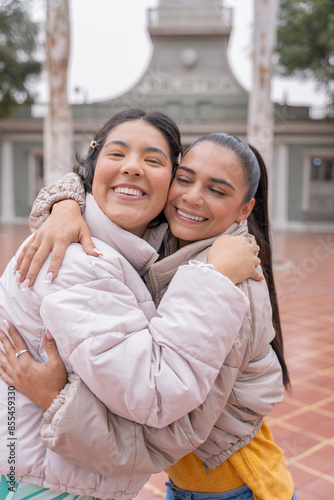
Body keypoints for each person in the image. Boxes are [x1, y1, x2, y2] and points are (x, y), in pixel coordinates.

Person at [0, 130, 296, 499]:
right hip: (192, 485)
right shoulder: (171, 241)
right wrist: (65, 205)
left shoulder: (232, 284)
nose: (191, 197)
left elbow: (163, 433)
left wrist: (56, 397)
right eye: (184, 179)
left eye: (217, 191)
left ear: (245, 210)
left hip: (239, 484)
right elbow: (111, 179)